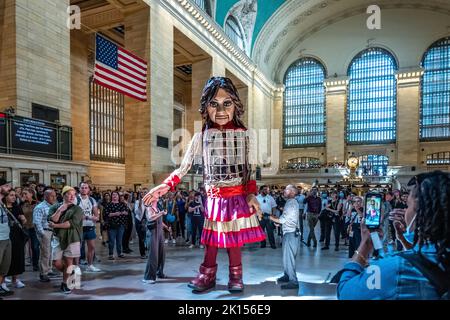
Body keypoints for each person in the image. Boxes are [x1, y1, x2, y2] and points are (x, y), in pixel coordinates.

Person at [143, 77, 264, 293]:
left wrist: (251, 195)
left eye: (226, 103)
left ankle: (236, 275)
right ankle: (207, 274)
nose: (220, 110)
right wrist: (164, 187)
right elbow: (183, 168)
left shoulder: (246, 137)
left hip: (236, 197)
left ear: (235, 104)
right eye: (213, 103)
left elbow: (249, 171)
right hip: (214, 198)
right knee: (212, 239)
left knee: (233, 239)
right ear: (205, 107)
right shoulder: (200, 137)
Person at [337, 171, 450, 300]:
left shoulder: (397, 268)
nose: (405, 211)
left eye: (408, 206)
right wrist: (403, 238)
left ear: (420, 213)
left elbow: (345, 292)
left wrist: (365, 244)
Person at [48, 186, 84, 294]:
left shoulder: (77, 209)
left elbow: (71, 224)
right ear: (63, 195)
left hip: (72, 237)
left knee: (69, 261)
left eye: (74, 194)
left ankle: (65, 283)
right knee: (56, 262)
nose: (72, 196)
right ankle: (70, 273)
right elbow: (52, 219)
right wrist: (60, 210)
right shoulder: (55, 207)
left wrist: (56, 225)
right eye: (69, 194)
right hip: (58, 238)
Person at [270, 185, 300, 290]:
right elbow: (288, 219)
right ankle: (287, 275)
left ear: (292, 192)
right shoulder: (290, 202)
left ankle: (293, 281)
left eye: (286, 190)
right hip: (289, 232)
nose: (284, 191)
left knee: (289, 257)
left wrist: (270, 217)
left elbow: (283, 219)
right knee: (286, 257)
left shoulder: (291, 203)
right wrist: (280, 223)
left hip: (291, 234)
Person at [2, 189, 27, 289]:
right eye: (11, 195)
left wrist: (23, 219)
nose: (14, 197)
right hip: (5, 236)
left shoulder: (17, 207)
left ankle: (15, 280)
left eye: (14, 195)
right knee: (5, 259)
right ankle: (2, 281)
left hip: (17, 236)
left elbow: (24, 223)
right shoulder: (2, 208)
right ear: (5, 197)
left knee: (17, 257)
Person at [33, 188, 58, 282]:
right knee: (45, 253)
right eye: (52, 196)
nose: (54, 197)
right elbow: (36, 222)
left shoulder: (54, 205)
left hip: (52, 231)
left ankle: (49, 269)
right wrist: (42, 234)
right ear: (46, 196)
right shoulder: (40, 207)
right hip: (45, 231)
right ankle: (43, 273)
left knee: (51, 252)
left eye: (55, 196)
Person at [77, 182, 100, 272]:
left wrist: (95, 217)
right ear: (79, 189)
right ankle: (76, 266)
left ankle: (90, 265)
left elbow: (96, 215)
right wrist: (87, 217)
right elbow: (75, 215)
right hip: (79, 227)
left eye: (86, 188)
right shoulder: (76, 199)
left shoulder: (92, 200)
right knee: (77, 249)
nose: (84, 189)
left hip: (90, 226)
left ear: (89, 189)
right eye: (82, 187)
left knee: (91, 247)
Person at [142, 200, 167, 284]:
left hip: (159, 232)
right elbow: (150, 218)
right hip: (152, 233)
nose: (158, 197)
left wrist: (165, 226)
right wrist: (161, 213)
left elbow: (159, 219)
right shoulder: (149, 208)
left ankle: (159, 273)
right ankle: (148, 277)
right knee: (153, 255)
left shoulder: (158, 207)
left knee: (161, 254)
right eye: (156, 196)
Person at [103, 191, 129, 260]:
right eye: (113, 195)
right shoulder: (108, 205)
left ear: (118, 196)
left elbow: (126, 212)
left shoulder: (122, 204)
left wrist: (124, 212)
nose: (114, 196)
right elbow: (105, 214)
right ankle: (111, 254)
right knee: (111, 240)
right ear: (111, 196)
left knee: (119, 240)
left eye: (116, 195)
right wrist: (114, 214)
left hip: (121, 225)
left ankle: (119, 253)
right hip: (111, 225)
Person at [0, 179, 13, 297]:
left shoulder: (2, 202)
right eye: (6, 186)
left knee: (5, 265)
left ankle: (0, 286)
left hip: (6, 237)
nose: (8, 188)